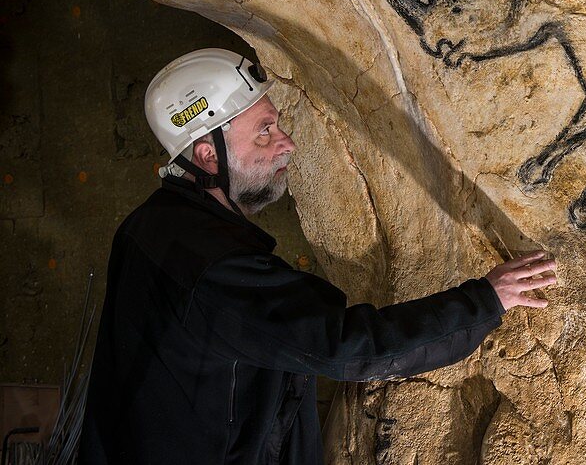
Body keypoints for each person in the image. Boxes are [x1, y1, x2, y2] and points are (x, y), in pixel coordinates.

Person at [79, 48, 556, 464]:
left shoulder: (148, 227)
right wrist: (487, 299)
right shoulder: (214, 266)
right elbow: (348, 346)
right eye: (264, 131)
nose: (285, 142)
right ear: (208, 155)